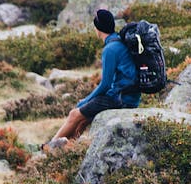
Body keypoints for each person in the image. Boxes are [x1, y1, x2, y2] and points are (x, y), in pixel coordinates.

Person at [42, 9, 141, 151]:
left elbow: (105, 85)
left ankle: (48, 148)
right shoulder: (119, 41)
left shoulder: (110, 49)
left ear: (98, 28)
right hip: (130, 97)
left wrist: (85, 100)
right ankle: (68, 149)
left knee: (74, 114)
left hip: (119, 99)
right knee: (82, 121)